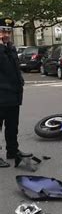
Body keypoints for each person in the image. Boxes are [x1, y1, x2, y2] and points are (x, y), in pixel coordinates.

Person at [0, 18, 31, 168]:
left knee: (13, 126)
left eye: (8, 31)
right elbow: (4, 66)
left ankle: (12, 151)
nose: (6, 34)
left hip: (13, 94)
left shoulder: (10, 47)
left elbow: (15, 68)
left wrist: (21, 82)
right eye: (3, 31)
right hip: (1, 94)